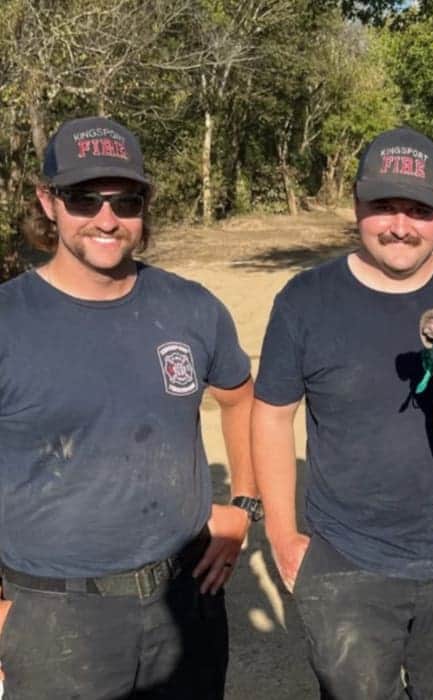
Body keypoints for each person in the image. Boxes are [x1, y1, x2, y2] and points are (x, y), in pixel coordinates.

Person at [0, 116, 257, 698]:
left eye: (126, 200)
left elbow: (240, 397)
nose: (107, 219)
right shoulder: (9, 322)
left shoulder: (192, 308)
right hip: (52, 614)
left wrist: (243, 504)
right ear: (48, 201)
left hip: (185, 601)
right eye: (83, 198)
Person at [252, 127, 433, 698]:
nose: (400, 226)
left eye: (418, 209)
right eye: (383, 206)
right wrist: (284, 537)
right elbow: (270, 415)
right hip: (347, 562)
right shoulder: (305, 299)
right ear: (356, 204)